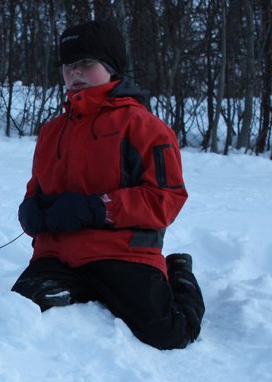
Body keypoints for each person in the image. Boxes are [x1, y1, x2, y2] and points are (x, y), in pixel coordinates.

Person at [13, 18, 205, 350]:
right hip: (58, 254)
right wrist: (31, 210)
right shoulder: (52, 130)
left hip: (123, 254)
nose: (75, 73)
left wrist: (99, 209)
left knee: (168, 334)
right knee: (17, 310)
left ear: (112, 67)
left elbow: (167, 198)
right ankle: (84, 288)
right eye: (68, 66)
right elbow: (38, 186)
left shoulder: (145, 127)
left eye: (86, 63)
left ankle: (177, 272)